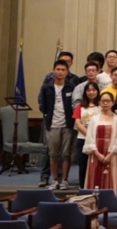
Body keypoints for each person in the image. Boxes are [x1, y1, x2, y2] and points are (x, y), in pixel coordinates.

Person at [38, 60, 75, 190]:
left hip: (67, 125)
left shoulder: (71, 87)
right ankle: (54, 180)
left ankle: (64, 180)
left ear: (67, 72)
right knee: (53, 154)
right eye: (58, 69)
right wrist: (48, 115)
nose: (60, 72)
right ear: (53, 71)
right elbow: (42, 105)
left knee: (66, 154)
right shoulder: (46, 87)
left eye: (63, 70)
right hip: (52, 125)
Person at [83, 92, 117, 196]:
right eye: (103, 101)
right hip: (96, 153)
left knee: (111, 178)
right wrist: (97, 153)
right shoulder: (94, 119)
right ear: (99, 102)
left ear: (112, 102)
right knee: (95, 178)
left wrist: (110, 154)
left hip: (112, 154)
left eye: (108, 101)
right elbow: (90, 137)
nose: (105, 103)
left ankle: (111, 203)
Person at [74, 82, 101, 189]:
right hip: (82, 139)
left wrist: (94, 137)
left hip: (98, 140)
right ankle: (83, 189)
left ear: (97, 91)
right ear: (85, 92)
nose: (91, 92)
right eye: (88, 90)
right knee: (83, 166)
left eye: (93, 90)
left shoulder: (101, 106)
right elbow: (78, 123)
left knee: (96, 166)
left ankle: (96, 188)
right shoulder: (80, 106)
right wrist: (89, 135)